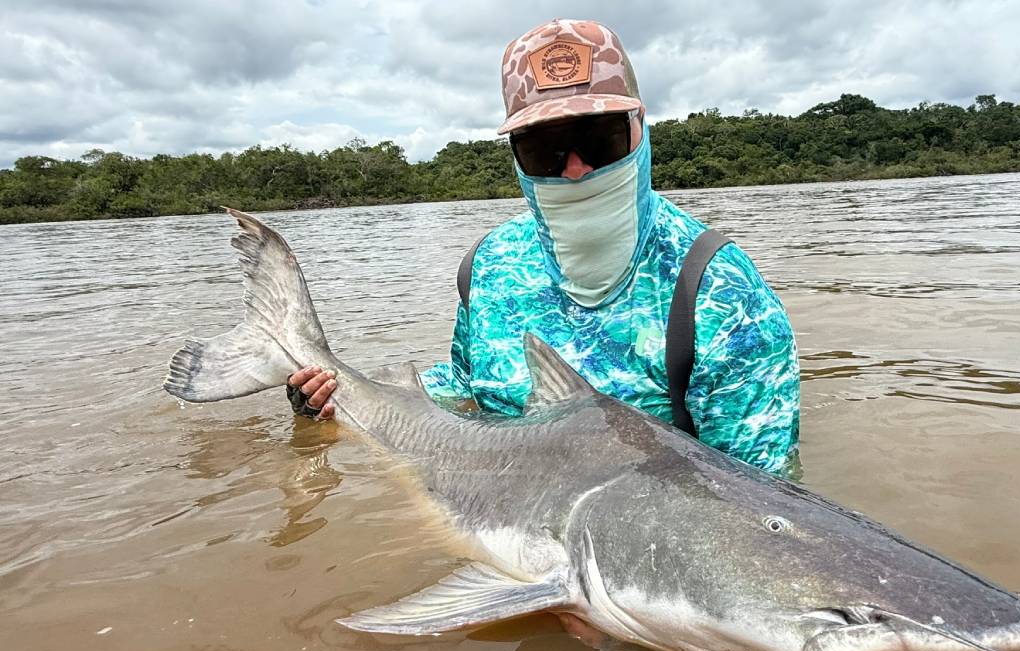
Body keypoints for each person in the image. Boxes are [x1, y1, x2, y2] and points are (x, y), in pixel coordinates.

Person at [287, 19, 800, 475]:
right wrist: (335, 397)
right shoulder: (490, 264)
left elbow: (761, 495)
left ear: (639, 127)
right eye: (543, 148)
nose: (575, 169)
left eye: (598, 137)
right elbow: (465, 390)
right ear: (515, 155)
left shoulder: (725, 293)